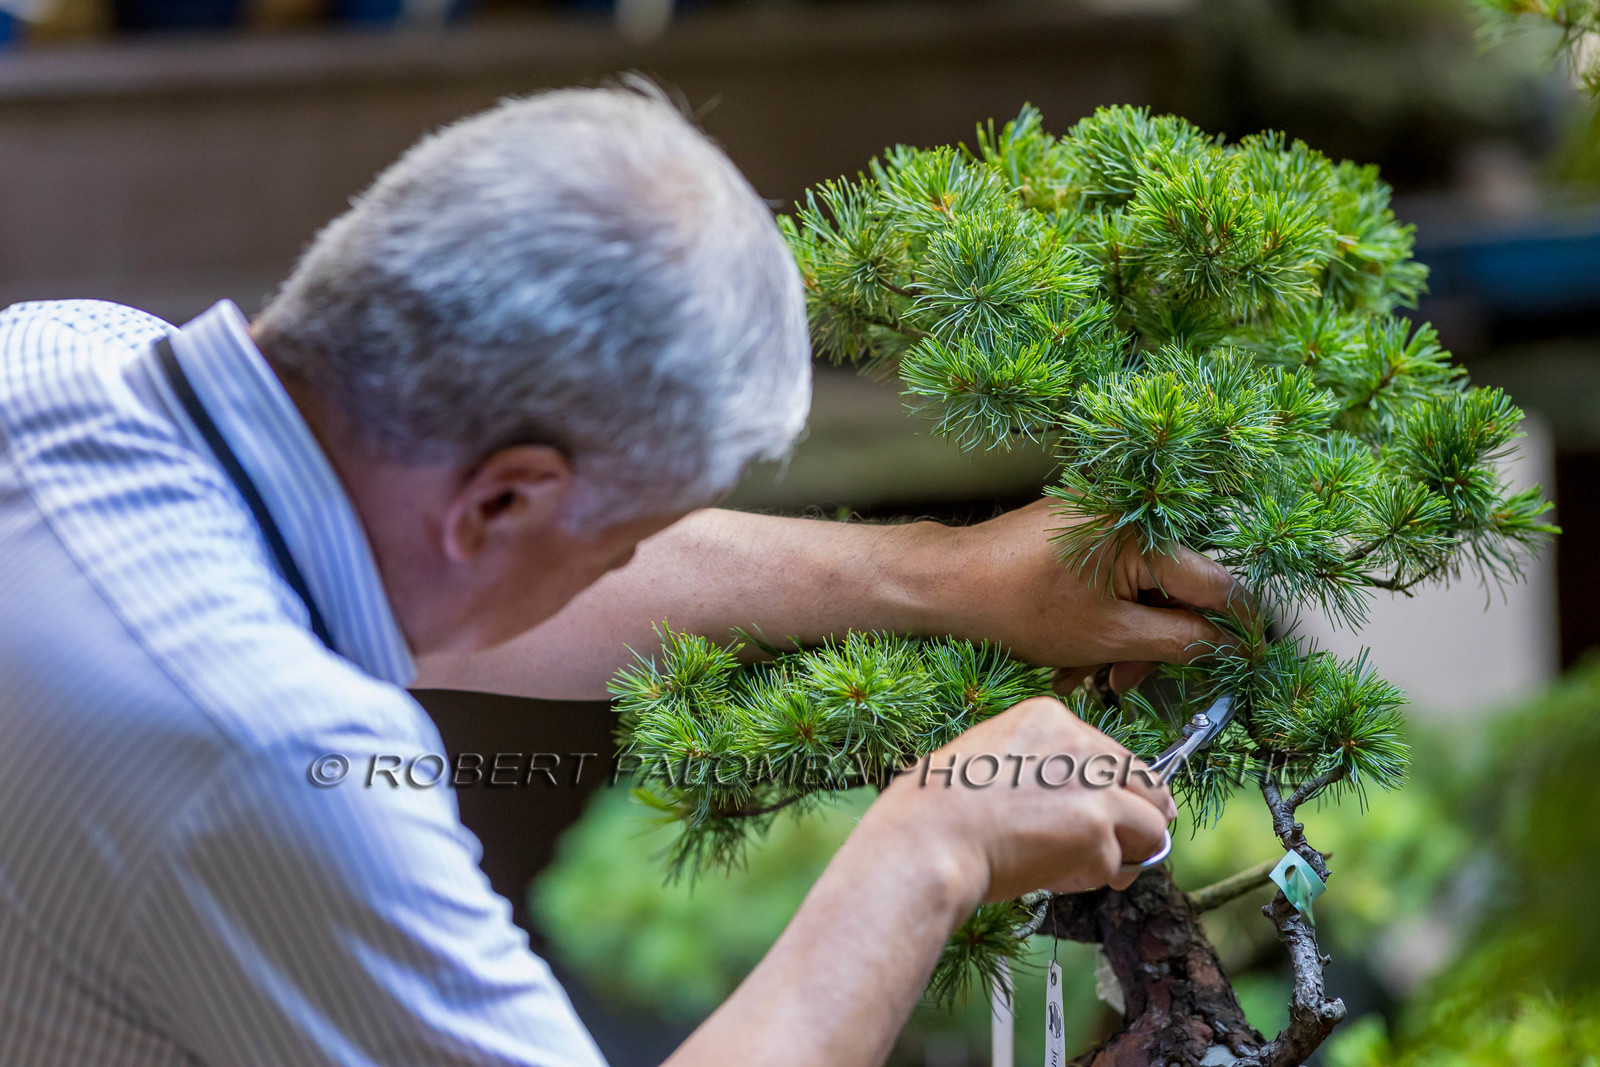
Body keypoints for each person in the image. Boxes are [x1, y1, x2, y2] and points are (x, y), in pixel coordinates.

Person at [0, 85, 1240, 1066]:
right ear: (502, 498)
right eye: (614, 540)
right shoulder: (264, 761)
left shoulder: (60, 354)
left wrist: (944, 575)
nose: (611, 569)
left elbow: (419, 582)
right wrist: (932, 842)